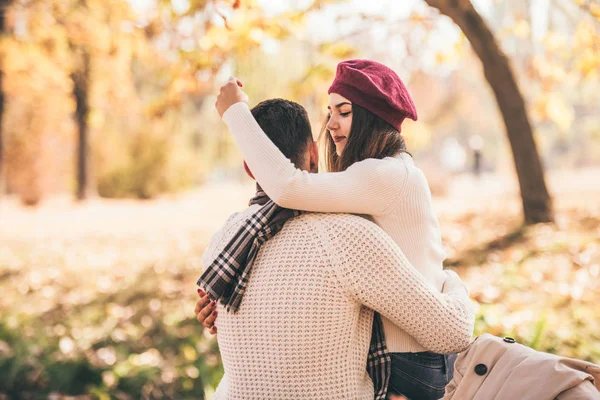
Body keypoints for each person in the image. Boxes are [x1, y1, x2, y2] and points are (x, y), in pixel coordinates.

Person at [209, 59, 462, 399]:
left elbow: (289, 187)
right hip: (400, 344)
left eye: (344, 112)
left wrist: (235, 112)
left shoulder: (388, 175)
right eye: (329, 113)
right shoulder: (359, 194)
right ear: (312, 154)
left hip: (411, 357)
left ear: (374, 118)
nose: (330, 124)